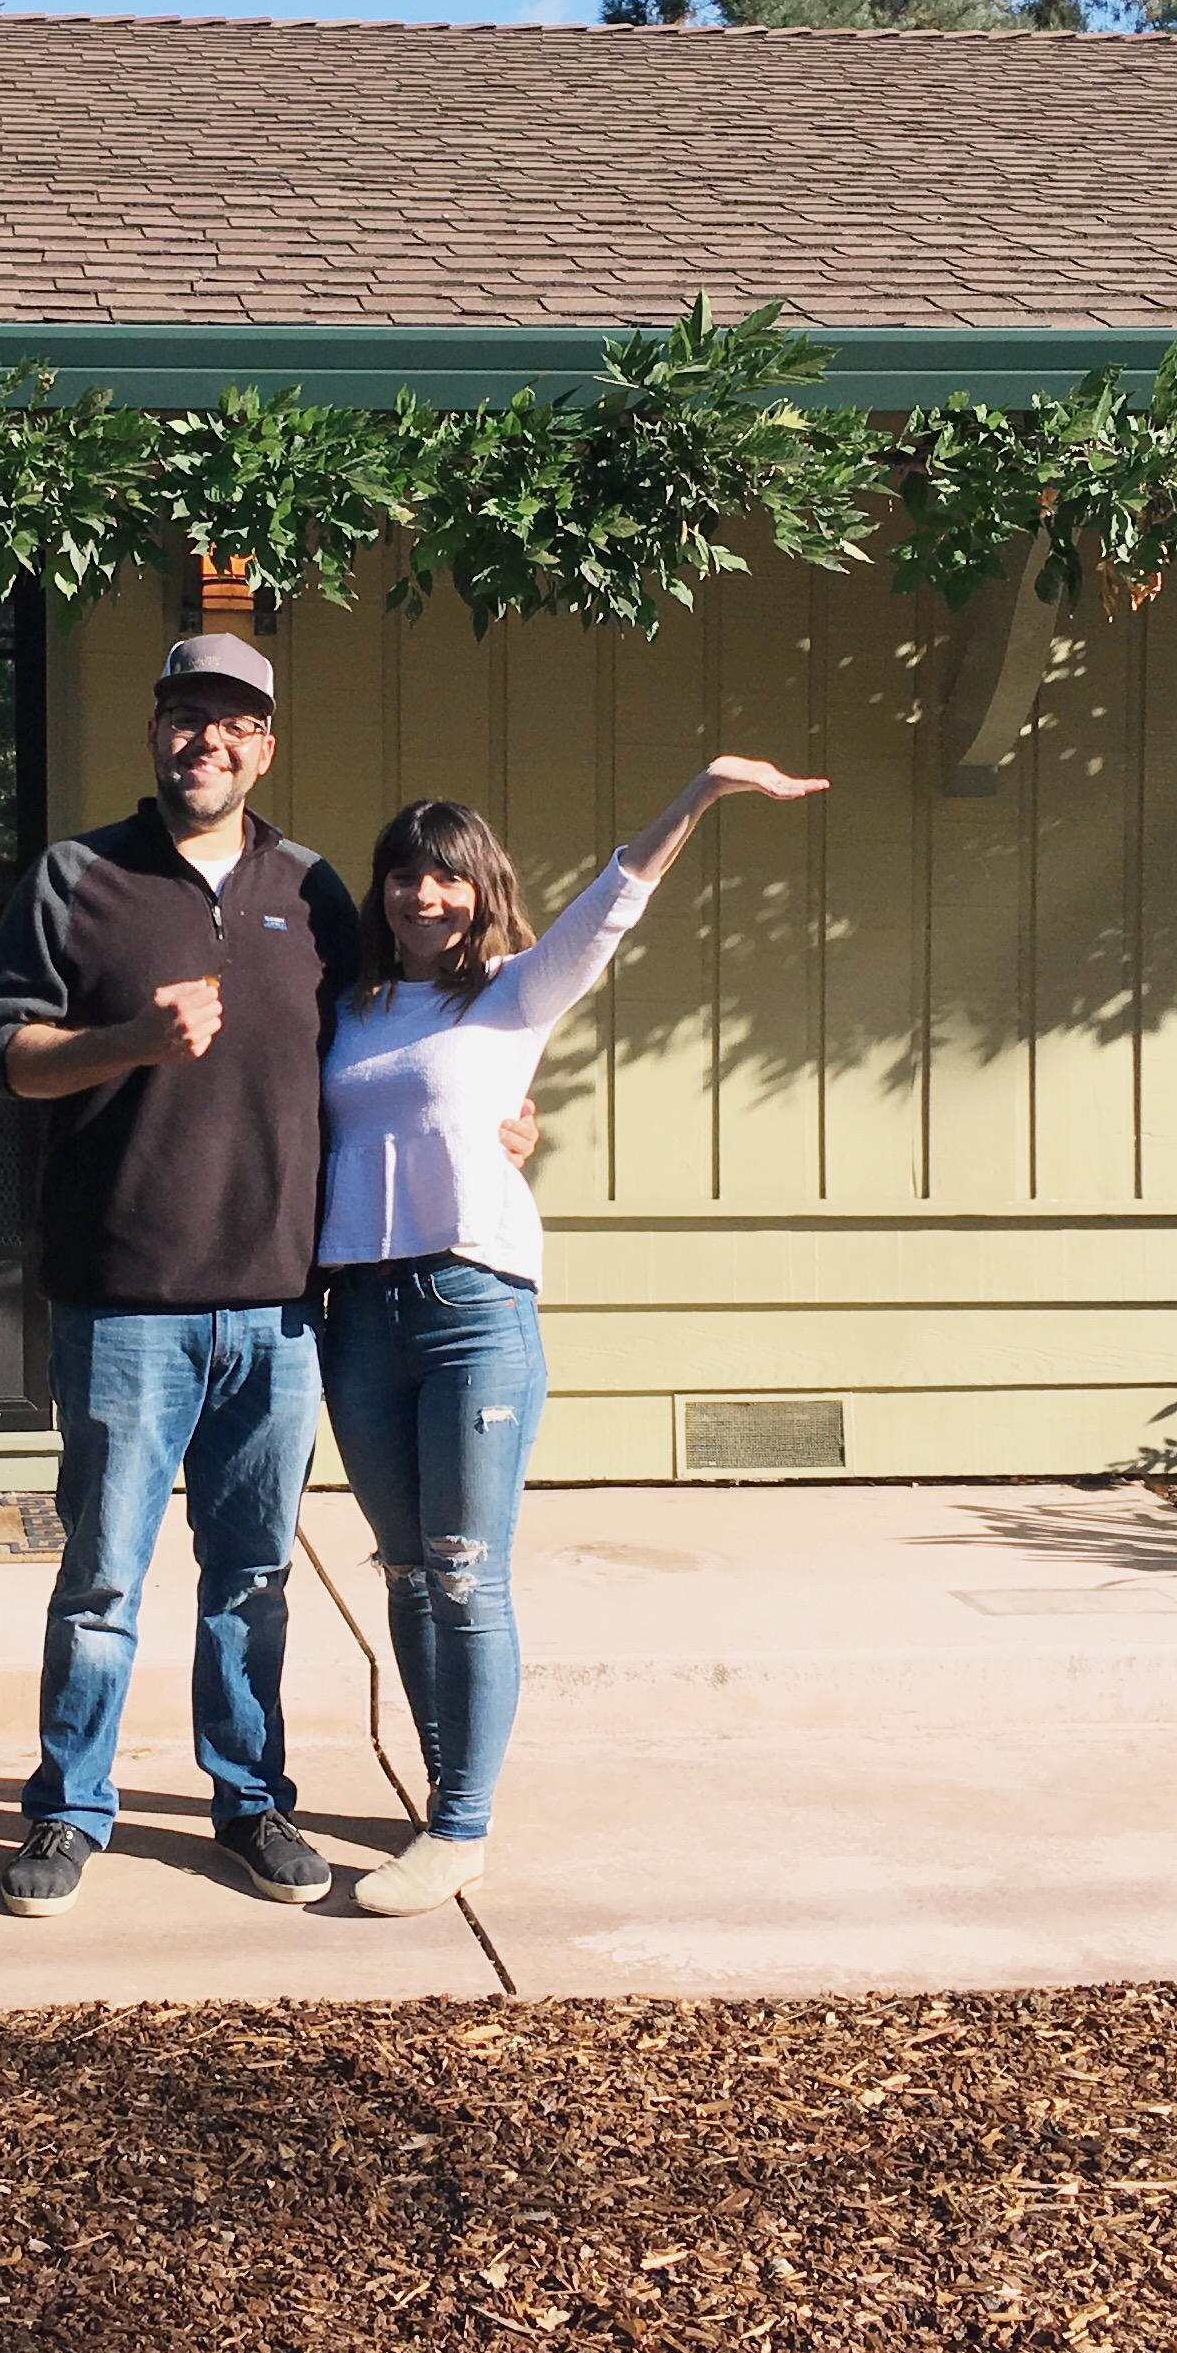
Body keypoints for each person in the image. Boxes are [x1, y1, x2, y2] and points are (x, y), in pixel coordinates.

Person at [0, 634, 531, 1920]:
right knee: (104, 1577)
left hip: (281, 1309)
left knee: (251, 1578)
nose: (203, 741)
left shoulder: (319, 890)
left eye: (231, 723)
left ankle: (250, 1800)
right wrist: (126, 1040)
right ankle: (68, 1813)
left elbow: (407, 1031)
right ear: (154, 731)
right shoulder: (76, 877)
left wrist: (500, 1114)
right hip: (120, 1300)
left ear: (265, 744)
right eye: (182, 716)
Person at [315, 753, 827, 1916]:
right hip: (360, 1317)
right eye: (403, 877)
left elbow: (611, 907)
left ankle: (459, 1828)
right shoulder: (347, 1013)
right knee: (403, 1572)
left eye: (445, 879)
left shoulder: (510, 995)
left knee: (463, 1571)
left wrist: (697, 791)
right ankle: (451, 1788)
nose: (421, 897)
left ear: (478, 890)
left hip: (471, 1311)